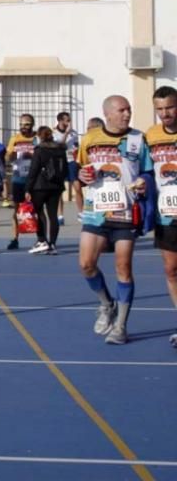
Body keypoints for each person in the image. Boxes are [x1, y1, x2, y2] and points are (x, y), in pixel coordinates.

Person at [76, 95, 152, 345]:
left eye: (129, 109)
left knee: (124, 268)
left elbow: (147, 171)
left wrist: (144, 182)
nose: (127, 114)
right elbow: (78, 170)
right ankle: (106, 303)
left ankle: (121, 326)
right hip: (95, 213)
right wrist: (82, 175)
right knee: (86, 264)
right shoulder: (89, 139)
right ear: (107, 113)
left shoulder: (138, 139)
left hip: (125, 214)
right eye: (122, 110)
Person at [145, 85, 177, 348]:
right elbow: (142, 169)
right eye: (160, 109)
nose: (165, 114)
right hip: (166, 213)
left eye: (170, 107)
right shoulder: (151, 136)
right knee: (171, 269)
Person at [25, 125, 66, 255]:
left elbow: (33, 170)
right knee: (53, 215)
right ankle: (53, 244)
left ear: (39, 136)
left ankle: (42, 240)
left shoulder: (39, 150)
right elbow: (64, 168)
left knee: (39, 213)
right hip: (56, 186)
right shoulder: (60, 150)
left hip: (40, 186)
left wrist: (27, 188)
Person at [4, 114, 38, 250]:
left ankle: (40, 238)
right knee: (17, 209)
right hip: (18, 178)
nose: (24, 127)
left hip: (34, 178)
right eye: (21, 124)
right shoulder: (15, 138)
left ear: (32, 125)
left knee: (37, 209)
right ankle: (14, 238)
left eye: (27, 124)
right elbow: (7, 157)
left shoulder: (36, 139)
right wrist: (10, 155)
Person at [55, 111, 80, 219]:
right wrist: (66, 133)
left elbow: (76, 146)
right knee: (59, 189)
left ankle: (81, 213)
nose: (69, 122)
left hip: (71, 161)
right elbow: (59, 145)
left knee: (77, 187)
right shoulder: (53, 132)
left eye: (70, 120)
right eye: (67, 120)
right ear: (60, 121)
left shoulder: (73, 133)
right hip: (60, 161)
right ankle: (60, 215)